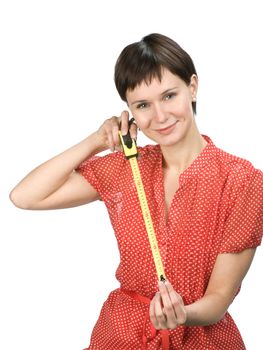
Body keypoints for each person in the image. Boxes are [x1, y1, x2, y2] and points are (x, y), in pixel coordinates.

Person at [10, 33, 263, 349]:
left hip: (201, 340)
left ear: (193, 87)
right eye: (143, 105)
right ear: (129, 111)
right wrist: (96, 141)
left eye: (169, 96)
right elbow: (26, 196)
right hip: (119, 336)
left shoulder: (243, 181)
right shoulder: (126, 168)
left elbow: (219, 299)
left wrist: (182, 314)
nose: (159, 116)